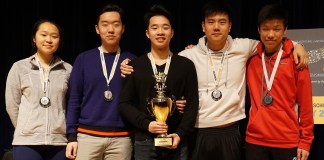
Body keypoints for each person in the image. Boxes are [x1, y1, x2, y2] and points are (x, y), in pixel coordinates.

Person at [120, 1, 309, 160]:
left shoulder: (244, 47)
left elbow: (272, 39)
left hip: (231, 130)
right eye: (211, 22)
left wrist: (295, 45)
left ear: (230, 26)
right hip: (199, 131)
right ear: (203, 26)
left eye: (222, 22)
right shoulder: (189, 55)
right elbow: (161, 66)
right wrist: (129, 65)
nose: (216, 27)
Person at [118, 4, 199, 160]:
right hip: (145, 140)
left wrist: (180, 134)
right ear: (147, 33)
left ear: (172, 32)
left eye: (165, 27)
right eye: (155, 28)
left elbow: (192, 104)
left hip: (176, 140)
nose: (160, 32)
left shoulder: (186, 65)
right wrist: (146, 124)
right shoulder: (134, 66)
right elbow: (124, 104)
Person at [65, 3, 136, 160]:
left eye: (116, 24)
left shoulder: (132, 61)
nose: (110, 30)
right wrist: (71, 136)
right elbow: (74, 99)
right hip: (87, 137)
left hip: (121, 138)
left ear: (123, 28)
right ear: (97, 29)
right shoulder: (83, 59)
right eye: (105, 25)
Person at [245, 4, 314, 160]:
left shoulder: (297, 59)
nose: (270, 34)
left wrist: (305, 141)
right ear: (258, 30)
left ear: (285, 30)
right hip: (255, 140)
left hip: (287, 141)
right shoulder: (250, 59)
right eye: (265, 29)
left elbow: (306, 104)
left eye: (276, 29)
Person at [5, 19, 72, 160]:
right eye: (44, 35)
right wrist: (27, 128)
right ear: (34, 39)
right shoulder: (19, 67)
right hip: (27, 142)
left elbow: (71, 105)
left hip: (59, 141)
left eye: (54, 36)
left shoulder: (68, 70)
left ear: (59, 41)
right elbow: (12, 105)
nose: (49, 40)